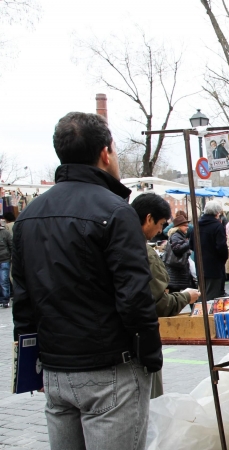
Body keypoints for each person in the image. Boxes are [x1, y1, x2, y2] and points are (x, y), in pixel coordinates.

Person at [12, 112, 161, 448]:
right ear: (105, 153)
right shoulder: (116, 212)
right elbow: (135, 297)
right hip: (109, 369)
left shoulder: (30, 215)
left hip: (55, 368)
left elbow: (23, 301)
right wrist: (150, 357)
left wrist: (31, 363)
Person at [131, 194, 199, 398]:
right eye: (160, 224)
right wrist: (185, 297)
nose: (161, 230)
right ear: (149, 218)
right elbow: (157, 303)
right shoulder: (139, 250)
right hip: (137, 344)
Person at [190, 201, 229, 302]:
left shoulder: (196, 225)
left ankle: (199, 314)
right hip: (214, 266)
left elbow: (191, 244)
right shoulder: (217, 226)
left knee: (202, 292)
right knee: (211, 296)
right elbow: (221, 247)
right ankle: (205, 316)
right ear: (217, 213)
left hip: (200, 264)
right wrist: (223, 258)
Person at [165, 211, 193, 293]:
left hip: (177, 270)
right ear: (179, 227)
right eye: (185, 226)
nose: (187, 227)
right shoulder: (176, 235)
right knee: (176, 293)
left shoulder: (178, 235)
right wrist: (189, 243)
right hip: (176, 270)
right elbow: (177, 249)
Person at [0, 216, 11, 308]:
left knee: (4, 280)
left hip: (4, 259)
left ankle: (5, 299)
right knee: (3, 280)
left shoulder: (5, 233)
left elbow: (11, 245)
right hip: (5, 258)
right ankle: (2, 298)